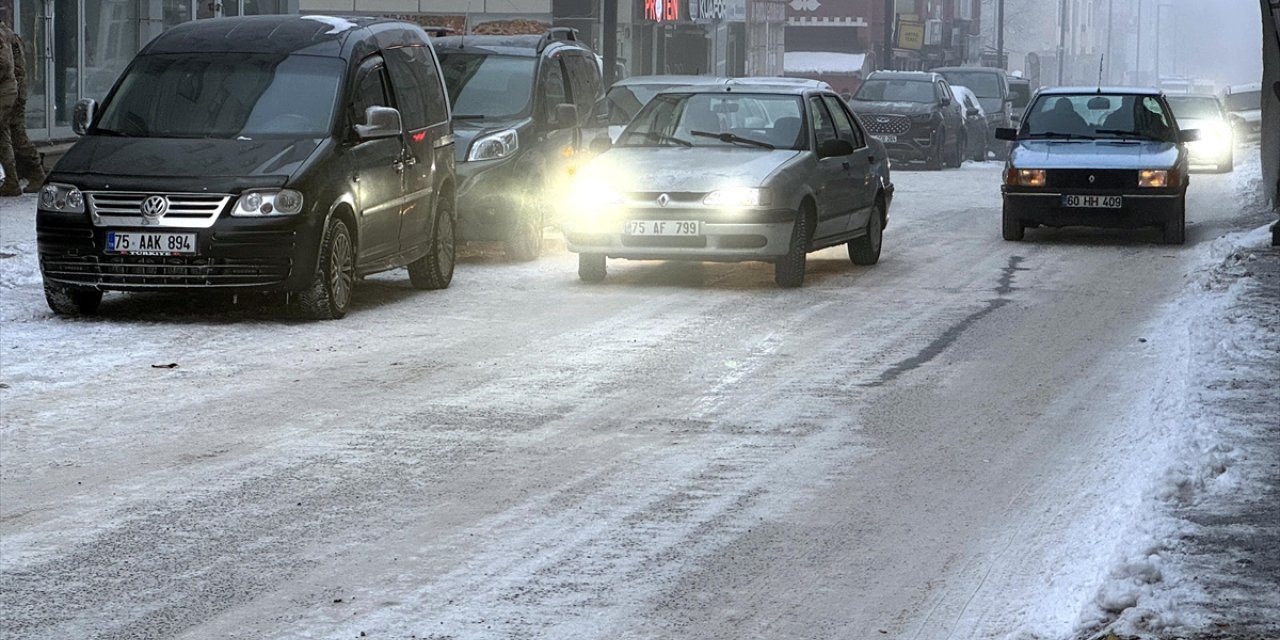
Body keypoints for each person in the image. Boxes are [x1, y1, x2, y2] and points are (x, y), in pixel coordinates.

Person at [3, 22, 44, 193]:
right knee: (13, 134)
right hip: (15, 91)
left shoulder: (4, 36)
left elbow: (7, 66)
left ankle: (36, 174)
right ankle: (24, 174)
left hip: (12, 93)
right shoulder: (10, 34)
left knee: (16, 135)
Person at [0, 21, 18, 196]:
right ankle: (12, 182)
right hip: (7, 91)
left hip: (3, 92)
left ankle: (12, 182)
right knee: (3, 136)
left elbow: (3, 63)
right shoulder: (7, 33)